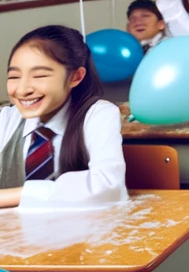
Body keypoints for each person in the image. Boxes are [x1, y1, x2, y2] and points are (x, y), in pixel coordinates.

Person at [1, 25, 127, 209]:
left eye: (40, 75)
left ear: (75, 77)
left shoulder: (97, 115)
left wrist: (16, 195)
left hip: (83, 234)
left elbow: (108, 187)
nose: (23, 89)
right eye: (14, 77)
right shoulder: (6, 119)